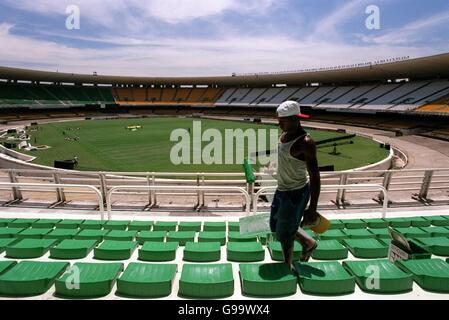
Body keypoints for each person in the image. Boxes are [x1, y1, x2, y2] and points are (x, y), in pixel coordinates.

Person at [270, 101, 321, 271]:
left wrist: (312, 208)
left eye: (282, 121)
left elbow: (315, 176)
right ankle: (308, 243)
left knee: (284, 233)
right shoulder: (284, 135)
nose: (279, 124)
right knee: (275, 226)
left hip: (296, 192)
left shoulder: (306, 142)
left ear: (295, 119)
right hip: (282, 189)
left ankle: (287, 265)